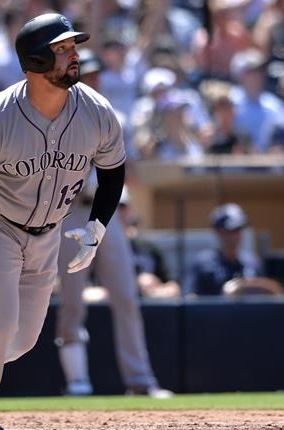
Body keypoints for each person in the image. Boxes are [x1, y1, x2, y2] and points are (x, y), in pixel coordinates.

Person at [0, 13, 126, 430]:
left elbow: (112, 172)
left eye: (74, 47)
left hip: (47, 233)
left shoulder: (97, 113)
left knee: (19, 342)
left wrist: (97, 227)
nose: (74, 55)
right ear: (35, 60)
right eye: (62, 49)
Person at [55, 49, 172, 398]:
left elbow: (129, 171)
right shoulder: (59, 114)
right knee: (73, 301)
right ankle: (77, 380)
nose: (90, 80)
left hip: (107, 212)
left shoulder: (111, 115)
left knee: (126, 295)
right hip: (72, 210)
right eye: (84, 73)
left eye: (94, 75)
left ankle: (140, 380)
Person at [184, 203, 260, 296]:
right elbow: (190, 298)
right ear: (218, 232)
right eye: (229, 231)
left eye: (238, 230)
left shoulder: (252, 263)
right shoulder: (201, 264)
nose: (234, 236)